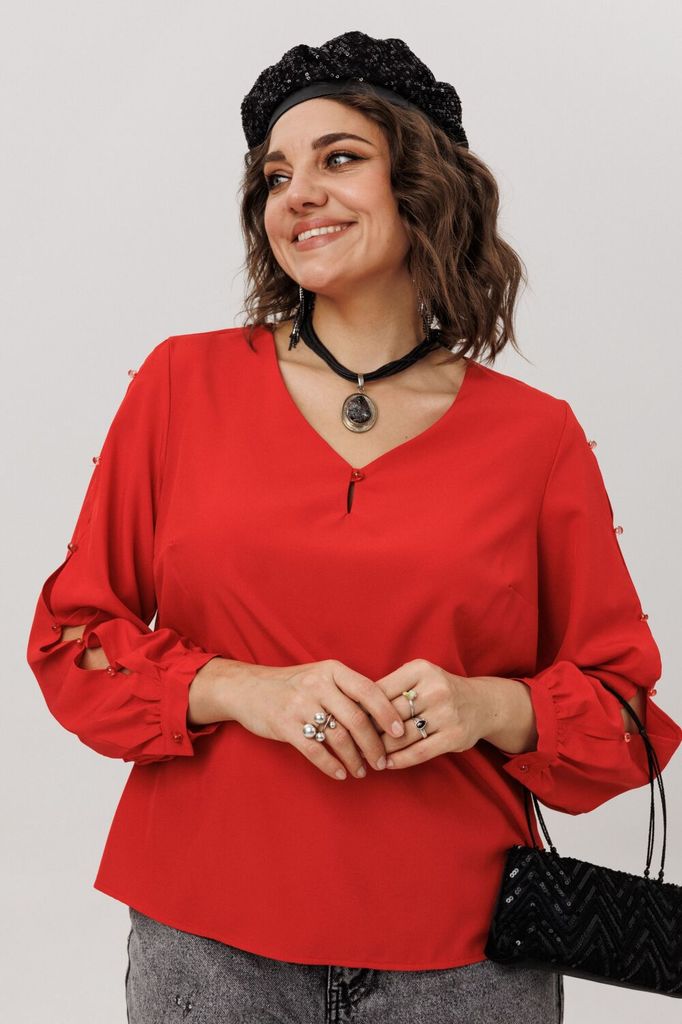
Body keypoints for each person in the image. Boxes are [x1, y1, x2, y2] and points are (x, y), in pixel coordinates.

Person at [26, 29, 682, 1024]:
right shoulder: (180, 385)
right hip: (209, 943)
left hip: (466, 957)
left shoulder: (534, 437)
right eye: (274, 176)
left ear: (422, 186)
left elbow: (625, 713)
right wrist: (244, 688)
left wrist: (485, 704)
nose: (297, 193)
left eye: (339, 158)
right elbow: (73, 640)